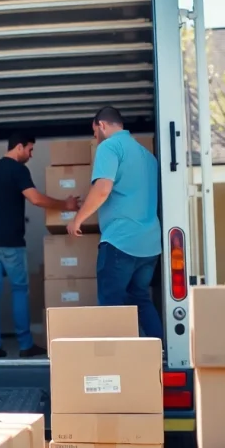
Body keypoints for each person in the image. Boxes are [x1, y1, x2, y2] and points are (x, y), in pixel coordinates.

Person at [0, 132, 80, 359]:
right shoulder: (18, 170)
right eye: (30, 149)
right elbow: (36, 199)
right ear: (19, 147)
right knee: (19, 290)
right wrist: (65, 205)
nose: (30, 154)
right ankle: (25, 345)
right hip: (11, 243)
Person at [66, 105, 164, 340]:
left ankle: (117, 362)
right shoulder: (147, 156)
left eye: (94, 132)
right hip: (150, 246)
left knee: (112, 306)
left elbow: (102, 189)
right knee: (140, 299)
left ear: (101, 125)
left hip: (120, 242)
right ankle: (162, 352)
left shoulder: (110, 147)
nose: (95, 138)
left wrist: (77, 219)